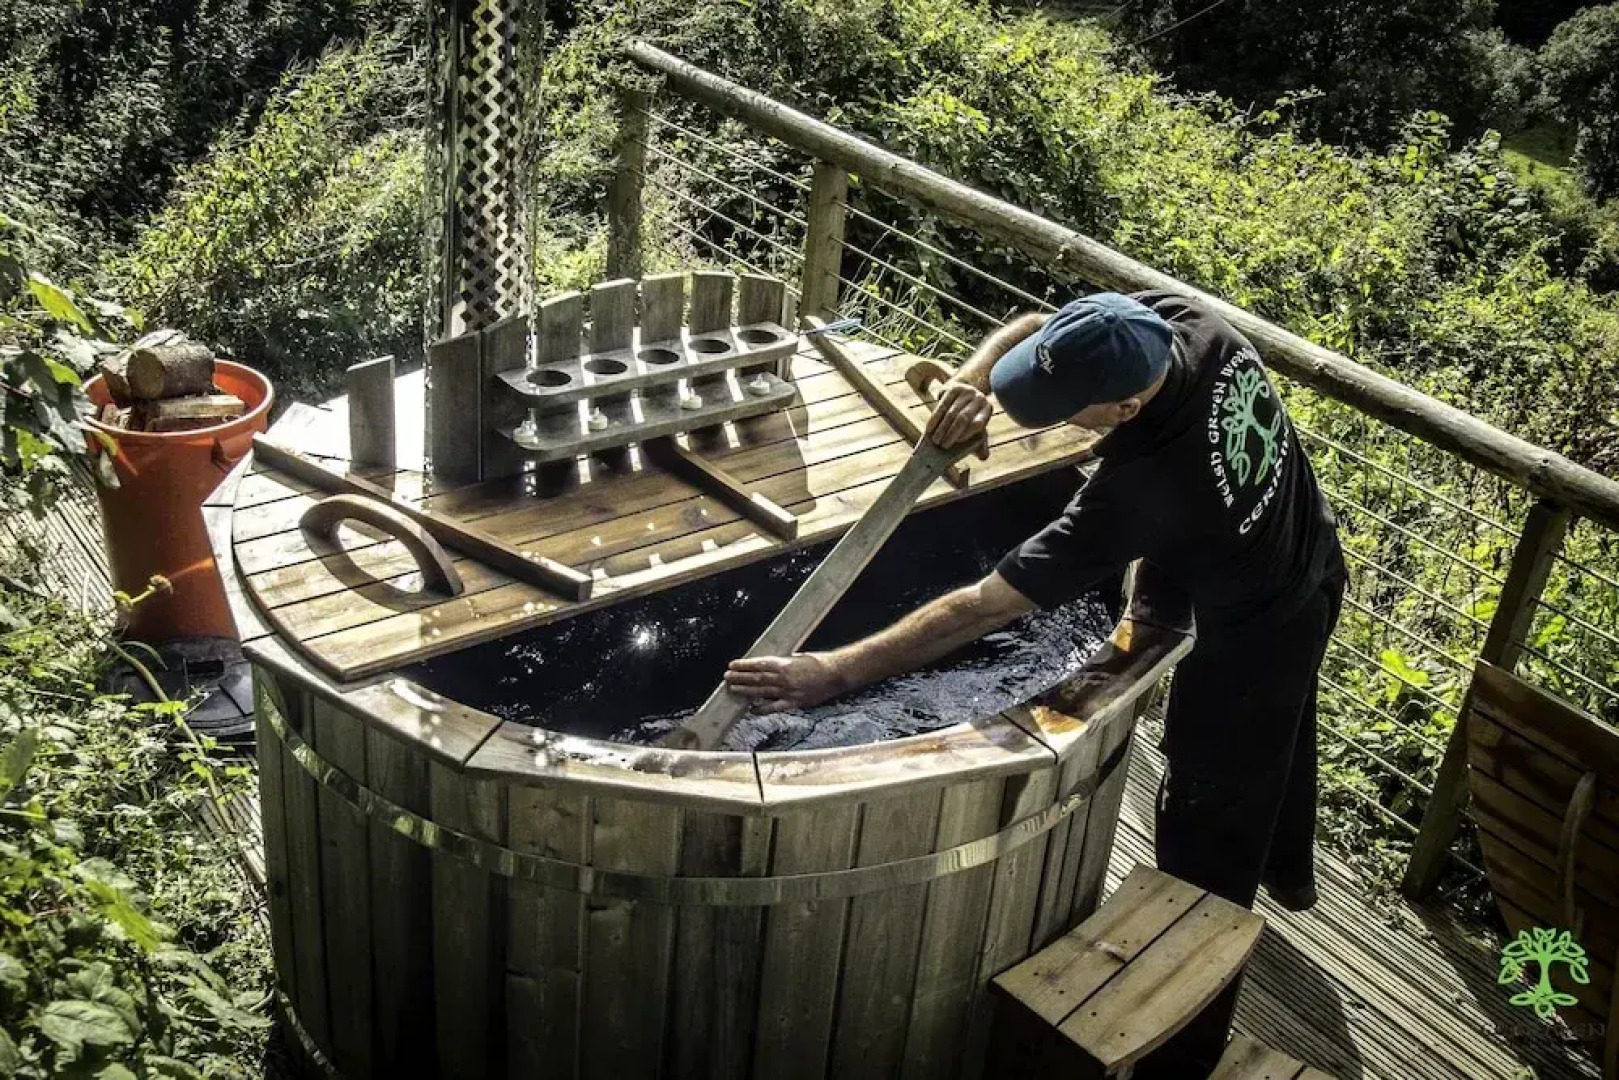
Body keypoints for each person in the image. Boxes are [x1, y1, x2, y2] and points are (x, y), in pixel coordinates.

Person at [723, 290, 1346, 1077]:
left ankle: (1182, 1016)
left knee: (1210, 794)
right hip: (1298, 536)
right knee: (1280, 738)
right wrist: (973, 383)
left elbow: (983, 607)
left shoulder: (1151, 488)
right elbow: (1032, 328)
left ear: (1122, 408)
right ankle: (1289, 871)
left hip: (1264, 616)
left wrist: (833, 671)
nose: (1043, 423)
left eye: (1060, 413)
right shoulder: (1181, 325)